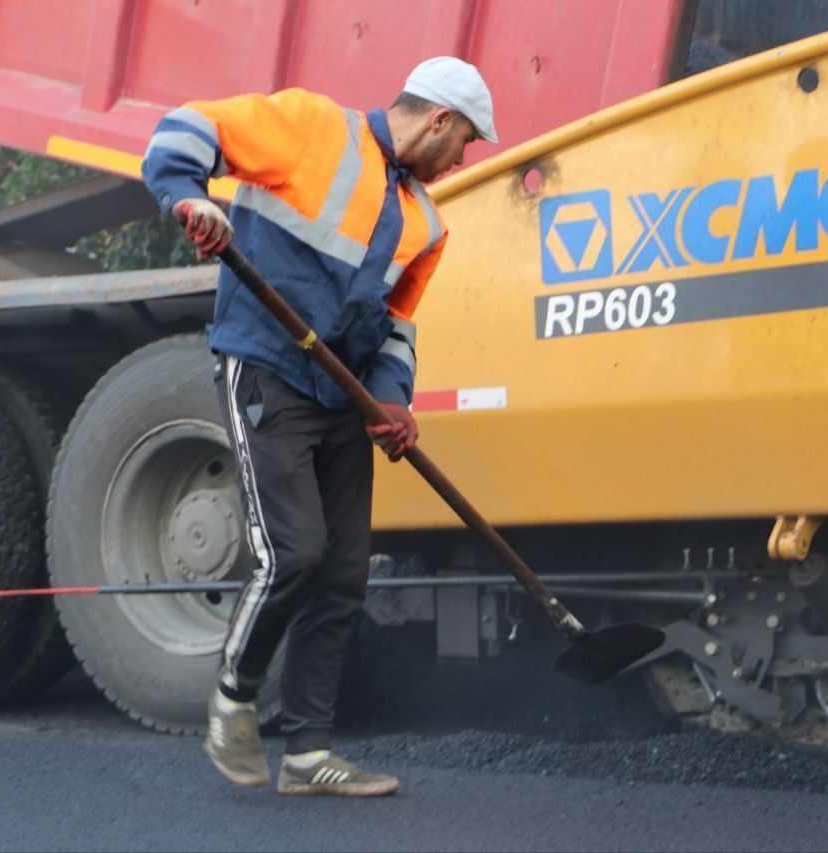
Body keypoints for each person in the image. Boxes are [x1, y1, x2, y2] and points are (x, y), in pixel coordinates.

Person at [141, 57, 496, 796]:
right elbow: (186, 128)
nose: (463, 157)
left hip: (343, 399)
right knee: (294, 552)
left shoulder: (427, 222)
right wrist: (188, 199)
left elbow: (396, 325)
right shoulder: (311, 127)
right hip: (268, 367)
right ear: (438, 119)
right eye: (464, 140)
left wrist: (393, 398)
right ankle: (233, 696)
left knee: (342, 573)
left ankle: (308, 753)